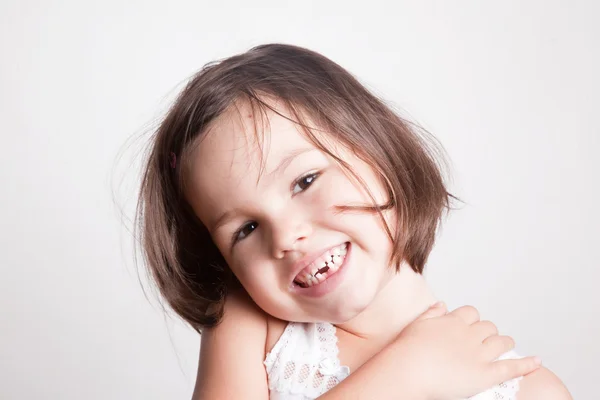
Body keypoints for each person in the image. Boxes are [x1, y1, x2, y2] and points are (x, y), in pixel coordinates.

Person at [136, 44, 571, 399]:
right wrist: (401, 379)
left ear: (378, 149)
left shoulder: (528, 390)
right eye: (246, 229)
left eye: (305, 181)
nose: (286, 237)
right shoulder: (253, 328)